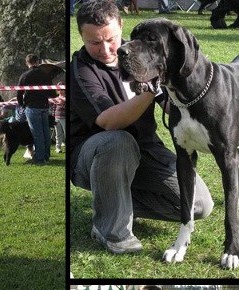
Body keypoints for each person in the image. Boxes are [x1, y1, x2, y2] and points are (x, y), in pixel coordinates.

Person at [70, 0, 214, 254]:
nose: (105, 49)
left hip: (146, 149)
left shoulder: (140, 55)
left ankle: (114, 203)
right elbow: (108, 122)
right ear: (81, 35)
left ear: (121, 26)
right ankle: (112, 230)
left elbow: (172, 106)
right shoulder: (82, 70)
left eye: (111, 39)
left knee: (200, 205)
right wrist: (150, 90)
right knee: (118, 140)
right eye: (94, 42)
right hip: (95, 155)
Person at [17, 53, 55, 165]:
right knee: (45, 132)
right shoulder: (45, 74)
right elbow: (51, 92)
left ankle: (39, 158)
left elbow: (19, 93)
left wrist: (22, 105)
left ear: (27, 62)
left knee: (37, 134)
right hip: (44, 106)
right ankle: (46, 156)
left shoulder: (25, 76)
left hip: (32, 107)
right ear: (38, 61)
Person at [51, 81, 66, 153]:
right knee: (58, 134)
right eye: (59, 89)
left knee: (66, 133)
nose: (61, 91)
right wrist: (53, 117)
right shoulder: (56, 98)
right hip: (57, 118)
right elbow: (53, 108)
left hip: (64, 118)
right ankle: (58, 148)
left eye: (62, 89)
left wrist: (63, 104)